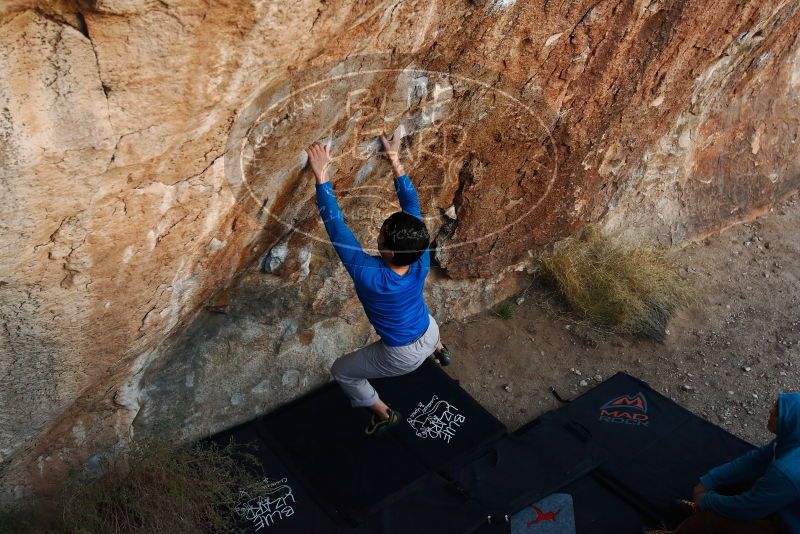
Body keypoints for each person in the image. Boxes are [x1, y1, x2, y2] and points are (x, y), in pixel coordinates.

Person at [306, 131, 450, 437]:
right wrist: (394, 159)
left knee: (342, 371)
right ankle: (438, 348)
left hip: (402, 355)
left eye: (382, 232)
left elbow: (336, 225)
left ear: (386, 250)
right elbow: (411, 203)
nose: (381, 229)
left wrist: (321, 174)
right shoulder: (419, 254)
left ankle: (382, 412)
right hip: (429, 328)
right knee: (420, 319)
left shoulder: (369, 275)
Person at [659, 393, 800, 533]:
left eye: (777, 412)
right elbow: (754, 460)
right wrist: (710, 480)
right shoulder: (791, 440)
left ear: (790, 421)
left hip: (789, 526)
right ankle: (699, 511)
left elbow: (746, 508)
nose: (770, 411)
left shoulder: (786, 471)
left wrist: (707, 501)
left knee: (712, 518)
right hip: (786, 503)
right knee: (738, 481)